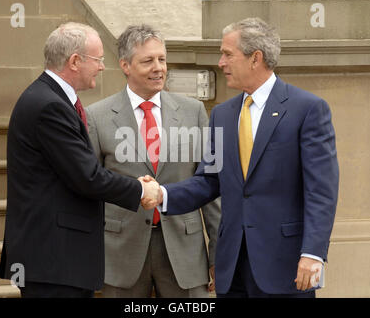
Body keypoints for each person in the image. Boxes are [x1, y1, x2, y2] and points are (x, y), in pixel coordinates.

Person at [144, 17, 339, 298]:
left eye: (227, 54)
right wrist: (162, 194)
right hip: (231, 267)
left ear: (255, 58)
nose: (221, 63)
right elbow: (209, 180)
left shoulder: (307, 109)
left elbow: (322, 191)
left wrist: (313, 253)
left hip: (286, 267)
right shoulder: (222, 115)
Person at [0, 22, 160, 298]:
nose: (102, 67)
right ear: (75, 61)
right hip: (53, 260)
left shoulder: (51, 98)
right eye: (97, 60)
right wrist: (141, 190)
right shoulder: (49, 106)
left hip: (58, 260)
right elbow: (87, 177)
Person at [85, 24, 221, 298]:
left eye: (162, 59)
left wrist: (219, 254)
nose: (158, 67)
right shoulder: (96, 117)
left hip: (185, 252)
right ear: (125, 65)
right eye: (148, 61)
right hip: (120, 253)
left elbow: (212, 188)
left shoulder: (193, 111)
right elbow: (91, 187)